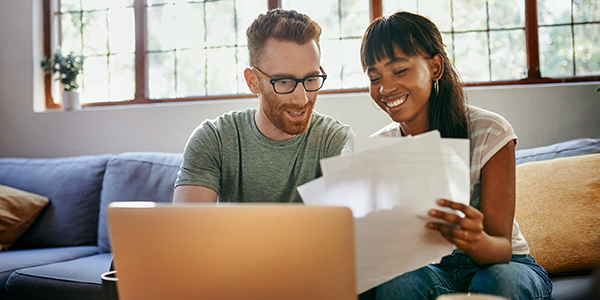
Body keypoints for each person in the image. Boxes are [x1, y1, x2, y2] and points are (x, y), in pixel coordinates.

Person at [358, 11, 552, 300]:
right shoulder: (380, 147)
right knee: (399, 281)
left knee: (499, 282)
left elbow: (502, 247)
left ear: (435, 67)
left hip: (501, 264)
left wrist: (475, 239)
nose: (385, 89)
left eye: (399, 71)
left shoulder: (490, 132)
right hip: (430, 271)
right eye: (375, 78)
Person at [173, 9, 355, 203]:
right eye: (284, 81)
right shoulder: (214, 140)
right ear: (253, 81)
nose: (302, 99)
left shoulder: (337, 142)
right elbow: (186, 231)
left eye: (310, 79)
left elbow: (358, 226)